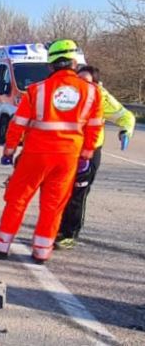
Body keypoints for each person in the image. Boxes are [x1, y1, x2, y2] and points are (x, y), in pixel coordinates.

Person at [0, 39, 104, 264]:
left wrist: (9, 151)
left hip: (35, 155)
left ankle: (1, 246)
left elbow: (17, 124)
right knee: (54, 205)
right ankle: (41, 251)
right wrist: (86, 156)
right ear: (74, 63)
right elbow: (95, 128)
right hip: (69, 157)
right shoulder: (91, 92)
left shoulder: (36, 90)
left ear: (50, 66)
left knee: (17, 199)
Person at [54, 65, 135, 250]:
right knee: (59, 192)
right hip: (67, 151)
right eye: (79, 80)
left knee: (77, 194)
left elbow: (125, 116)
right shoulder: (69, 93)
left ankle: (70, 234)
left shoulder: (100, 96)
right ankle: (56, 228)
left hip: (89, 153)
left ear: (96, 84)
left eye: (86, 81)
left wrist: (125, 132)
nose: (82, 84)